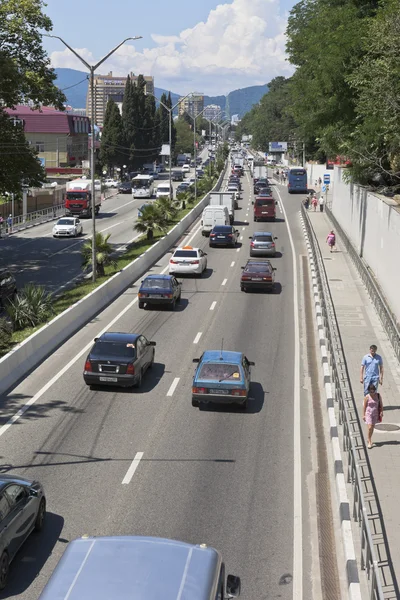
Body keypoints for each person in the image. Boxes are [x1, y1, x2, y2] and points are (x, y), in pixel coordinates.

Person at [363, 383, 383, 449]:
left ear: (375, 390)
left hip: (375, 414)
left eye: (373, 391)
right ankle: (369, 441)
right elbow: (364, 406)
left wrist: (381, 411)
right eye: (370, 391)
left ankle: (369, 438)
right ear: (368, 390)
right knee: (369, 427)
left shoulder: (378, 395)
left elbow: (381, 404)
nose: (372, 392)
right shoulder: (367, 397)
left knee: (372, 427)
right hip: (368, 414)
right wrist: (363, 415)